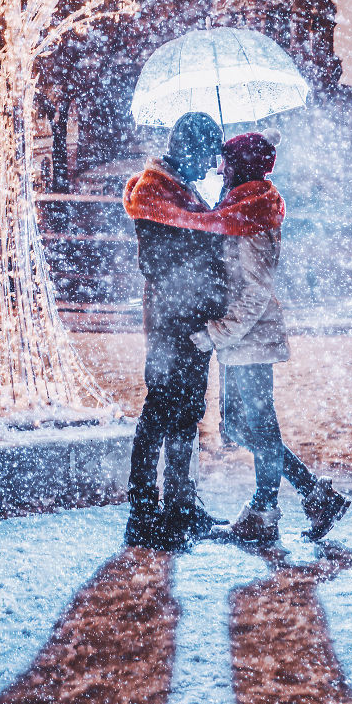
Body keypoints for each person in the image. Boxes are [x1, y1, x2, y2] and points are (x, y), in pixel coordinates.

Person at [192, 132, 350, 546]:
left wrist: (219, 332)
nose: (219, 167)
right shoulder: (239, 208)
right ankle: (315, 494)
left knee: (257, 427)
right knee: (239, 426)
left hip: (250, 338)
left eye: (227, 161)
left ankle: (264, 512)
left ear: (242, 165)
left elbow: (257, 288)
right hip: (240, 339)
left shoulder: (252, 214)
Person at [122, 112, 230, 551]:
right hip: (171, 324)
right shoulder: (155, 193)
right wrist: (205, 245)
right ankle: (144, 511)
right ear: (188, 148)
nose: (209, 166)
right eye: (206, 154)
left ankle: (180, 501)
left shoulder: (182, 195)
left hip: (193, 323)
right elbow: (155, 263)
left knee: (186, 414)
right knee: (159, 413)